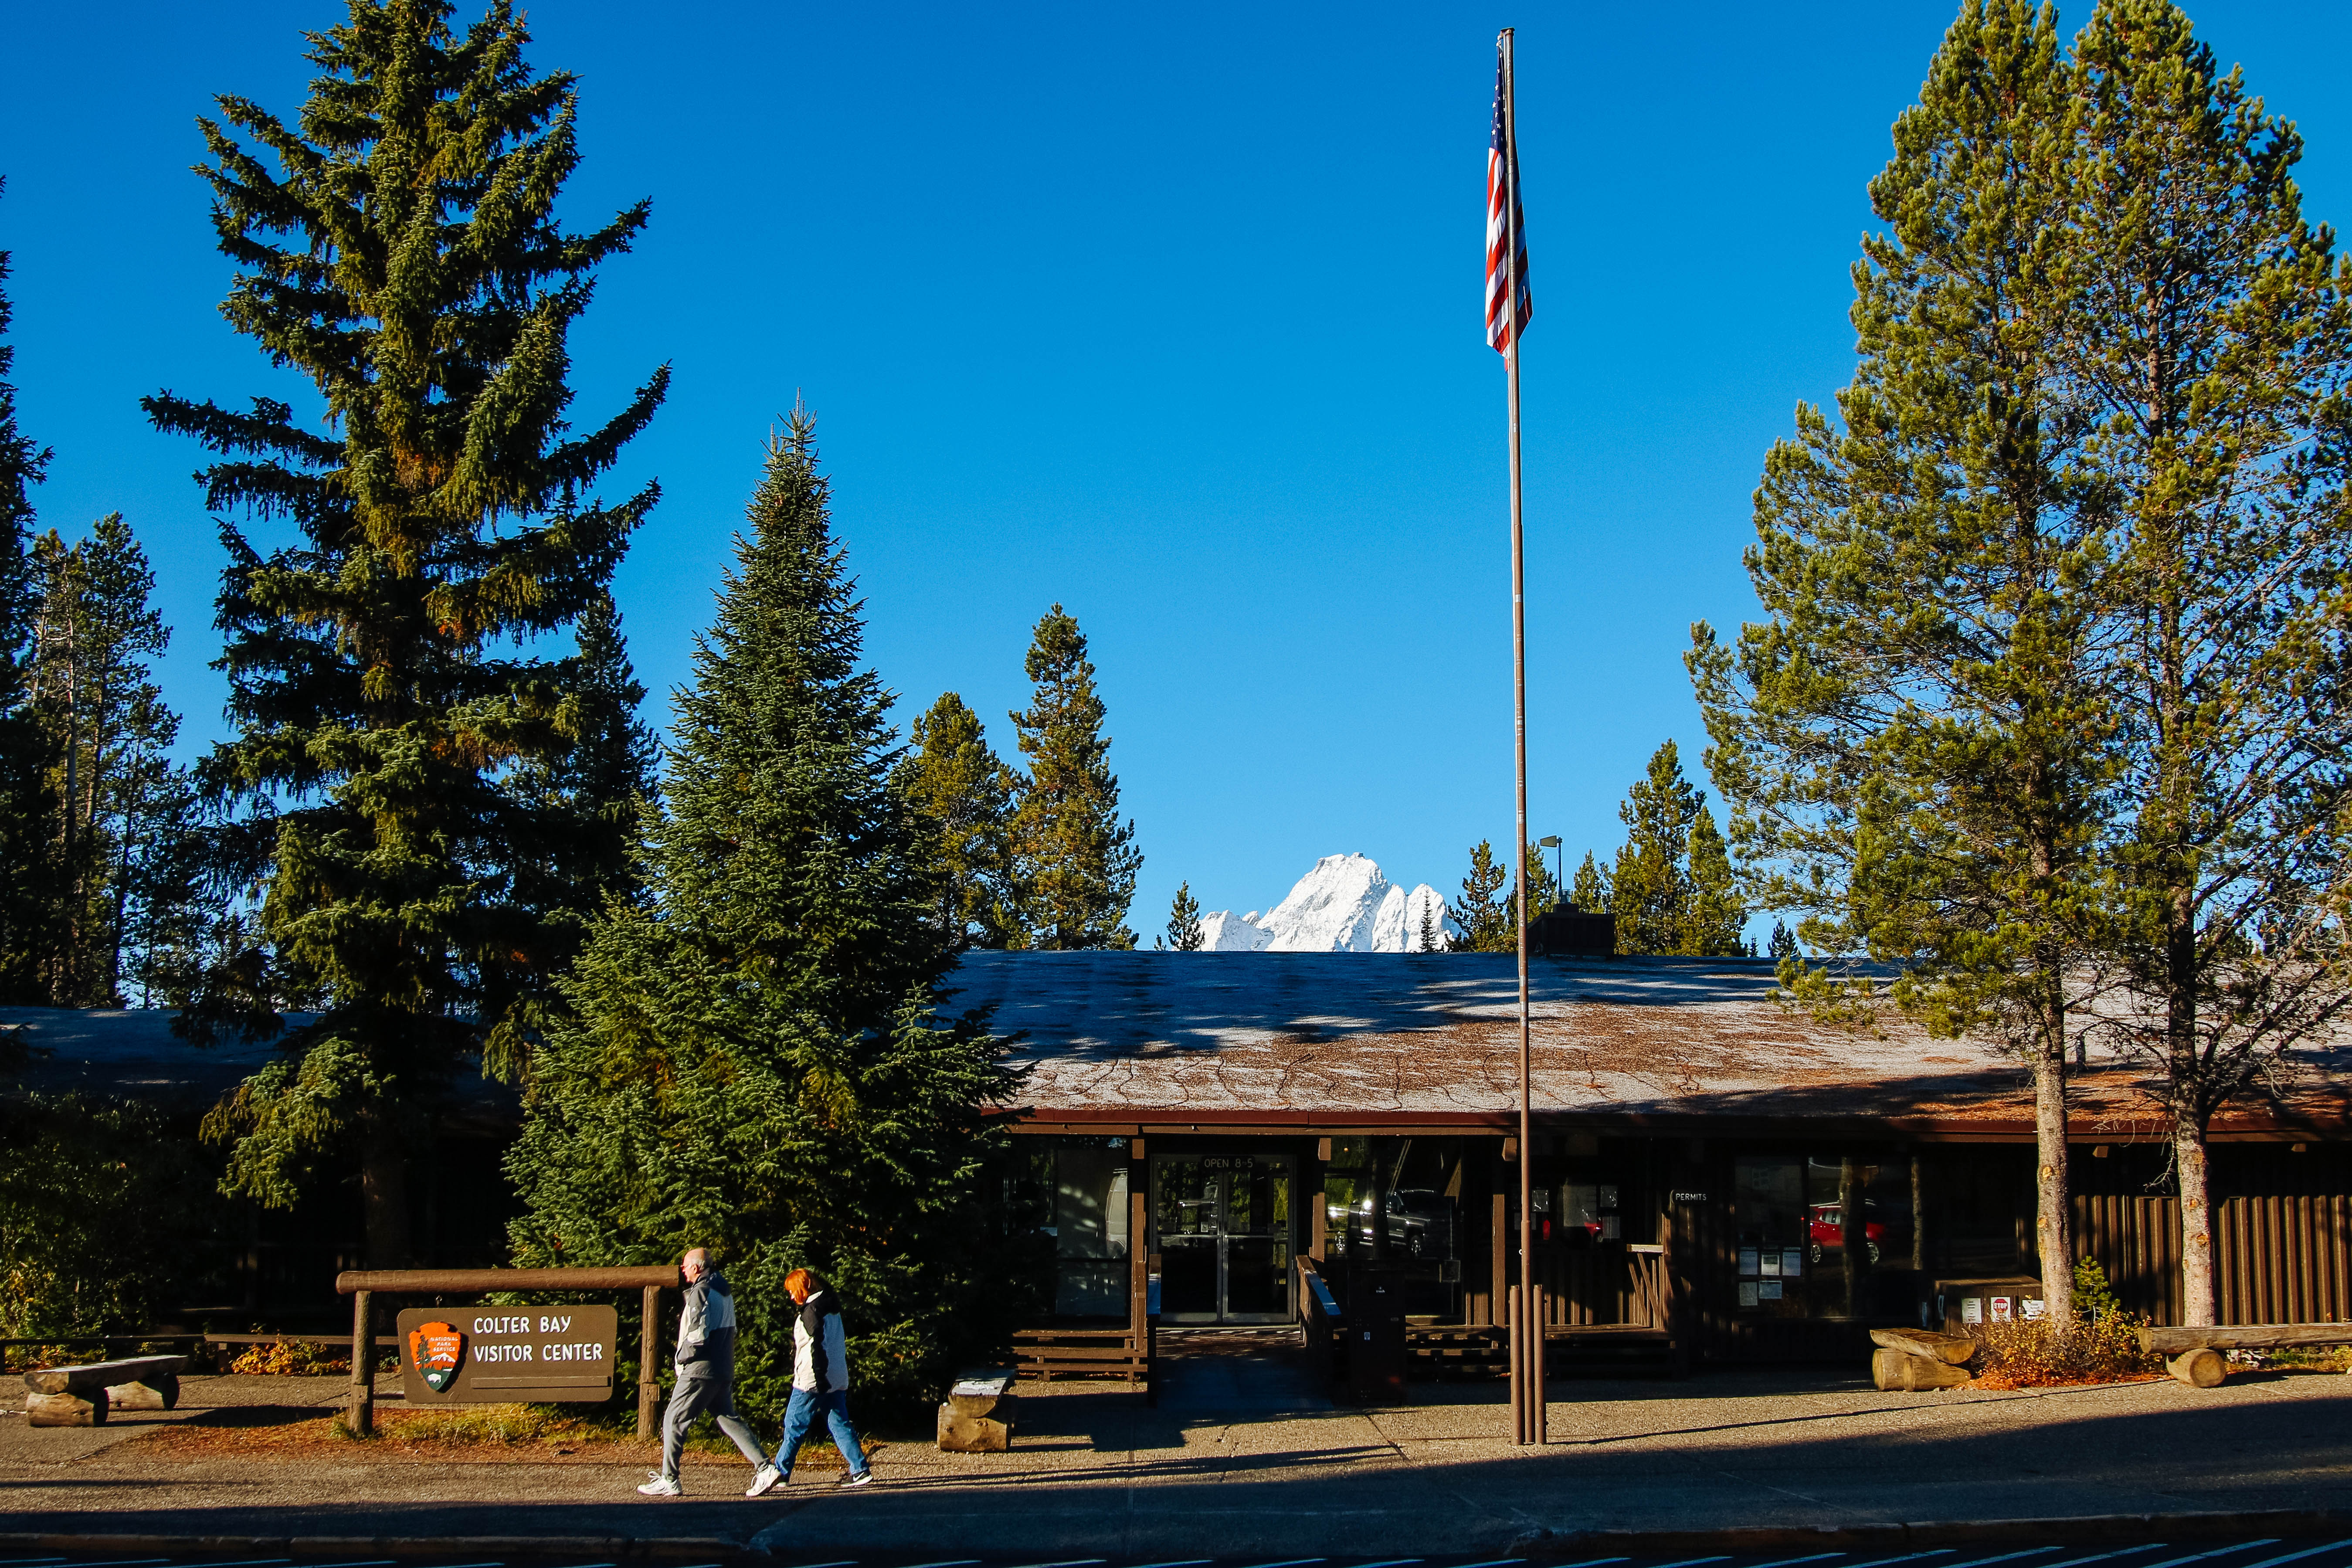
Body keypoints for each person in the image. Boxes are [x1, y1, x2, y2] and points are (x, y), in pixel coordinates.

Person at [638, 1247, 772, 1498]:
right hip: (722, 1367)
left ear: (697, 1268)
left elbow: (697, 1336)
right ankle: (766, 1468)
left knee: (673, 1420)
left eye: (685, 1265)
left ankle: (669, 1479)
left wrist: (681, 1357)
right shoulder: (724, 1290)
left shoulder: (701, 1291)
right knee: (728, 1419)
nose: (683, 1270)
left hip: (700, 1370)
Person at [749, 1266, 870, 1493]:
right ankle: (860, 1469)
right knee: (839, 1423)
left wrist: (819, 1379)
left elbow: (816, 1348)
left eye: (793, 1291)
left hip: (812, 1380)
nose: (792, 1296)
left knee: (794, 1425)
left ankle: (779, 1473)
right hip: (836, 1376)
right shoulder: (831, 1305)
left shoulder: (811, 1312)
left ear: (805, 1288)